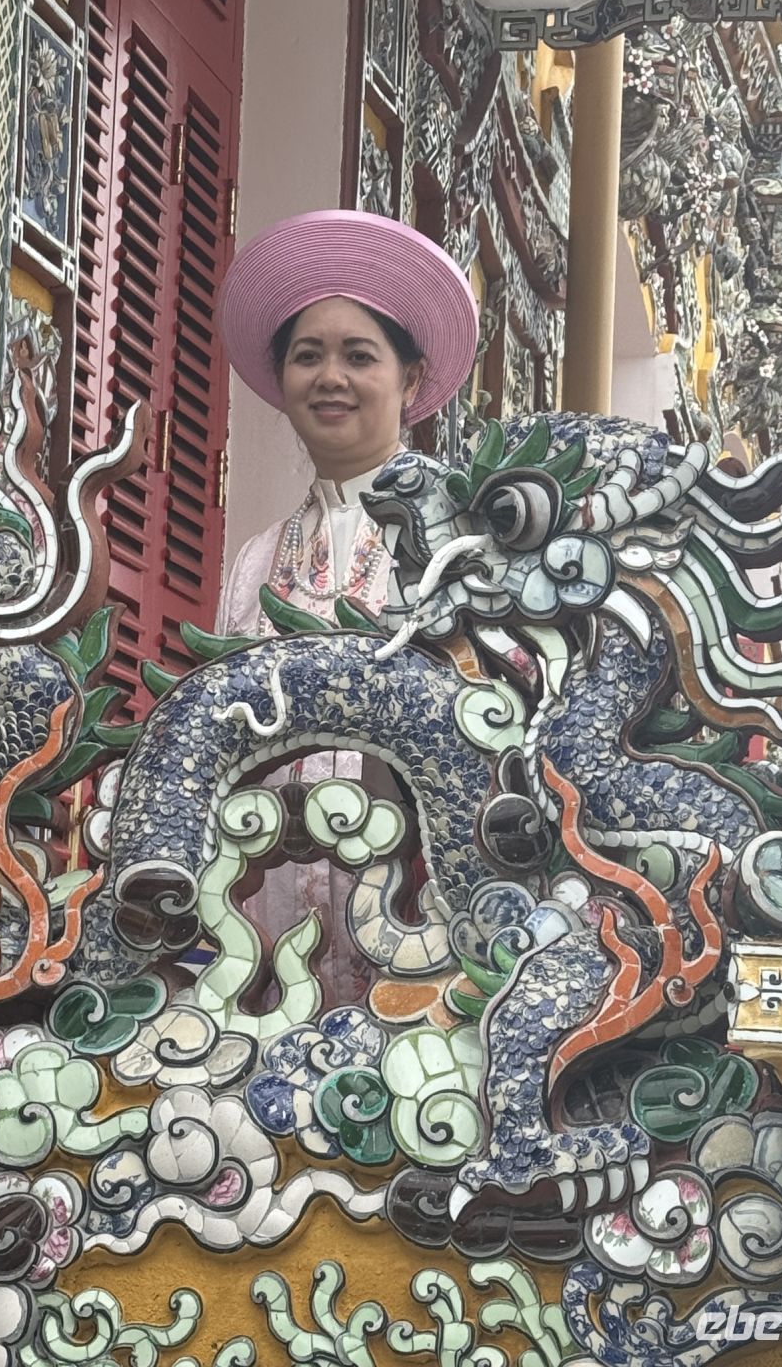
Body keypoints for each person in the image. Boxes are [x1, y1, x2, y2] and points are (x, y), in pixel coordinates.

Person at [212, 208, 479, 1002]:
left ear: (412, 379)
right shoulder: (255, 559)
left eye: (359, 356)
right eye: (308, 356)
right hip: (267, 922)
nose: (330, 378)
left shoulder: (461, 536)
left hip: (421, 915)